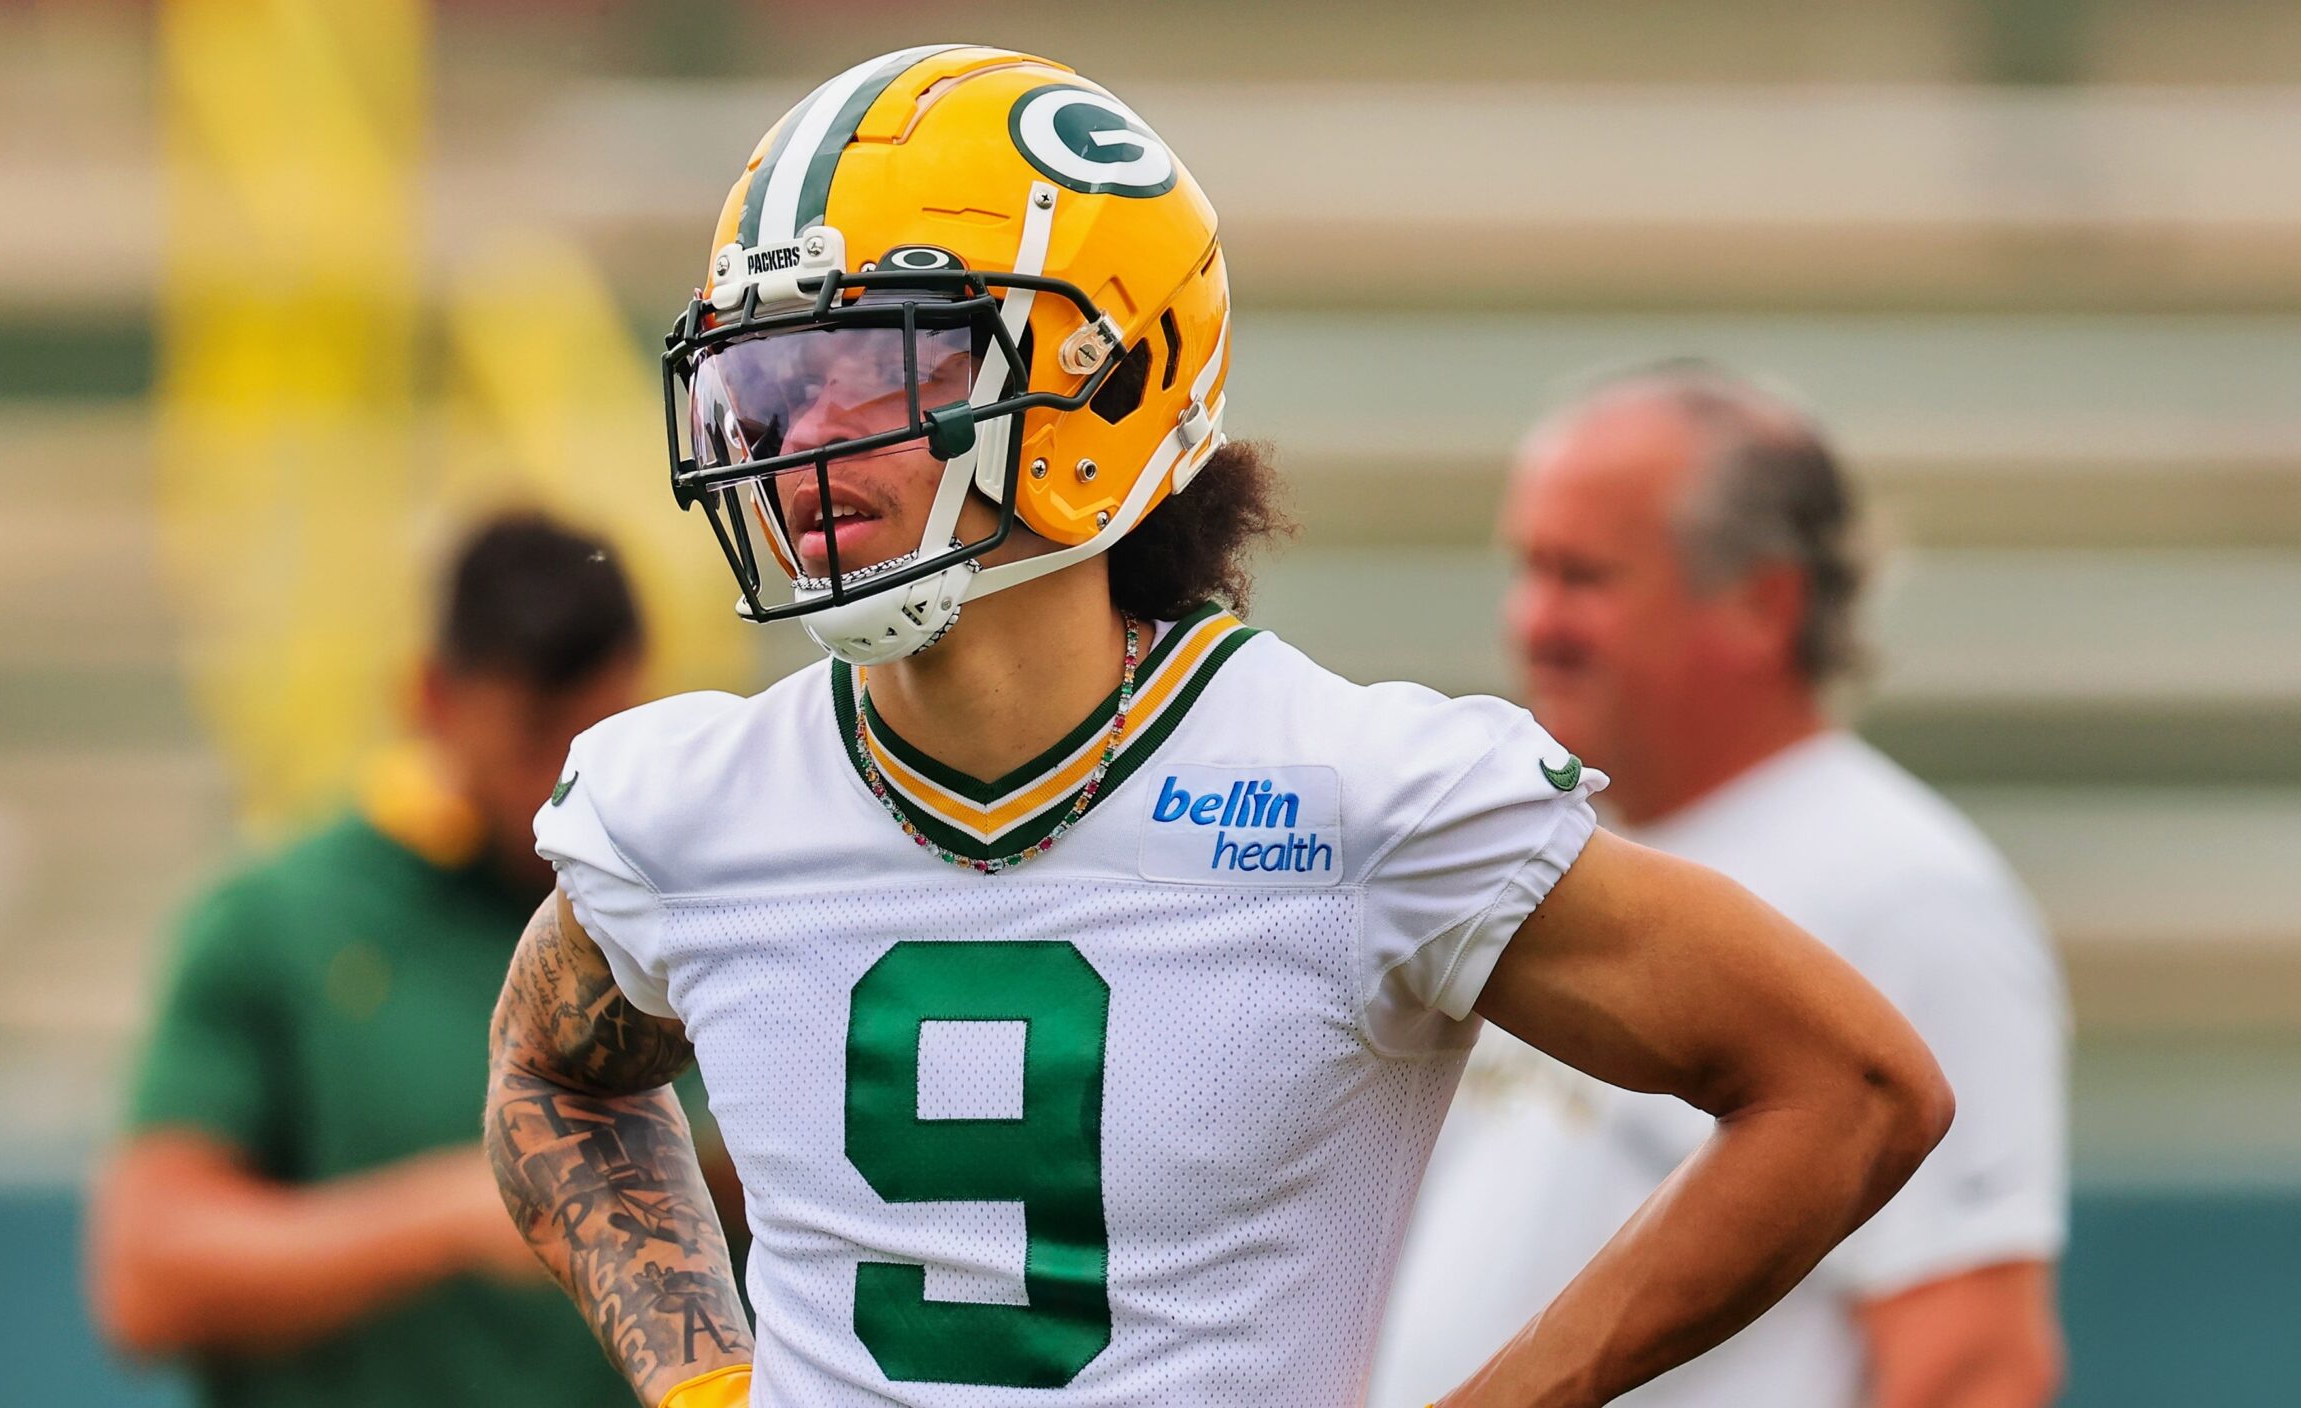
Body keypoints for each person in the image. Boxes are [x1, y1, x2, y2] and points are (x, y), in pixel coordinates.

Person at [487, 48, 1954, 1408]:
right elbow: (550, 1076)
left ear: (1102, 381)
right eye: (770, 380)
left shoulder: (1357, 797)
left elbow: (1850, 1086)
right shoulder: (686, 807)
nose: (802, 440)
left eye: (872, 369)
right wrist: (702, 1378)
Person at [1369, 364, 2069, 1408]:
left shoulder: (1909, 891)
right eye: (1527, 568)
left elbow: (1971, 1359)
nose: (1534, 620)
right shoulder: (1540, 851)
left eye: (1584, 577)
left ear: (1761, 602)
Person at [90, 512, 654, 1408]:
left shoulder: (692, 921)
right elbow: (148, 1274)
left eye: (610, 736)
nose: (570, 782)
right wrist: (454, 1214)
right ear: (434, 700)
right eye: (535, 732)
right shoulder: (279, 923)